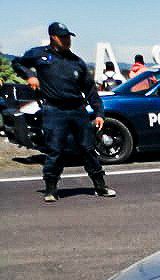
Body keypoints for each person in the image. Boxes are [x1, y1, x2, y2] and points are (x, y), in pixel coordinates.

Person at [12, 22, 116, 203]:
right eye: (64, 37)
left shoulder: (76, 62)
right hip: (54, 110)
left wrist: (99, 113)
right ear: (54, 37)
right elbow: (17, 63)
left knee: (88, 148)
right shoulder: (39, 55)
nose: (67, 41)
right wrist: (30, 74)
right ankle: (51, 189)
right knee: (55, 150)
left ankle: (100, 185)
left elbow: (91, 90)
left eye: (69, 37)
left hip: (77, 110)